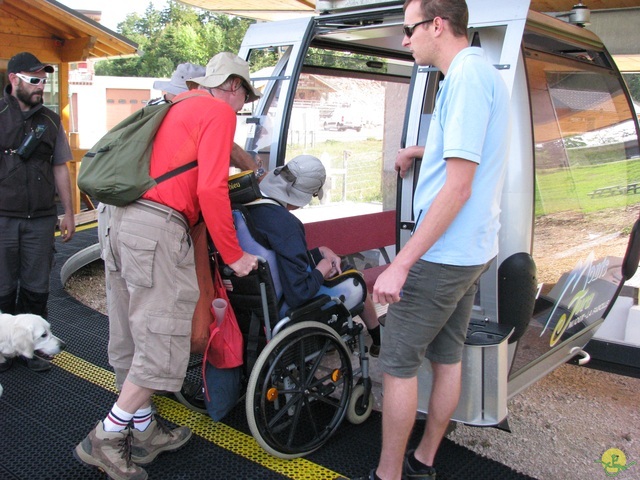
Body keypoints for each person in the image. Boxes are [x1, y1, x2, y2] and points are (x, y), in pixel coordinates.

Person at [74, 52, 262, 480]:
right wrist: (235, 254)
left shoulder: (176, 106)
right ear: (232, 86)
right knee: (165, 338)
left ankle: (143, 430)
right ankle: (106, 435)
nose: (241, 107)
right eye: (244, 97)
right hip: (157, 228)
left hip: (120, 221)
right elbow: (212, 188)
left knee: (131, 333)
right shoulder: (217, 111)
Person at [357, 1, 510, 479]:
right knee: (448, 357)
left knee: (397, 365)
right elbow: (467, 149)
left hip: (442, 255)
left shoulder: (463, 79)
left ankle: (388, 475)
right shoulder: (479, 72)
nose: (405, 40)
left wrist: (402, 262)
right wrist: (419, 150)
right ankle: (423, 461)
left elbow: (458, 187)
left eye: (409, 29)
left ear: (437, 25)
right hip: (473, 252)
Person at [246, 155, 381, 355]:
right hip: (289, 309)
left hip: (257, 304)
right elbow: (299, 293)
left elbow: (277, 258)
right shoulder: (286, 223)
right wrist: (321, 269)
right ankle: (379, 341)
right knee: (355, 279)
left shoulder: (251, 209)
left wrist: (319, 253)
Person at [0, 52, 75, 373]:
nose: (40, 86)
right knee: (2, 289)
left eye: (44, 80)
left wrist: (69, 212)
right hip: (2, 217)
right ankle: (3, 352)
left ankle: (34, 352)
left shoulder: (51, 120)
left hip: (42, 219)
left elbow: (60, 167)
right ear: (13, 79)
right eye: (34, 80)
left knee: (36, 287)